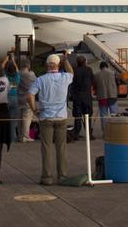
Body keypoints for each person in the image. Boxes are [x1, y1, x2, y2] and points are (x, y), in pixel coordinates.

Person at [27, 54, 73, 186]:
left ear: (47, 65)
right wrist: (66, 61)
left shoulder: (40, 79)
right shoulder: (65, 77)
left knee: (46, 148)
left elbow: (30, 95)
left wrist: (35, 109)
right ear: (58, 65)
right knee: (61, 148)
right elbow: (71, 72)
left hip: (46, 117)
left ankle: (47, 177)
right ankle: (62, 176)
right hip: (61, 117)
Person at [69, 56, 95, 141]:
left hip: (77, 97)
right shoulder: (89, 70)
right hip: (87, 97)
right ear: (85, 61)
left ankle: (76, 134)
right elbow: (93, 81)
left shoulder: (74, 70)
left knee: (77, 117)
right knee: (88, 116)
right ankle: (89, 135)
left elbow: (71, 83)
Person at [94, 61, 119, 135]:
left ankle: (105, 132)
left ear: (100, 67)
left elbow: (95, 85)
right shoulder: (113, 73)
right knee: (114, 114)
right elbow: (118, 83)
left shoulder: (97, 74)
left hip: (102, 97)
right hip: (113, 96)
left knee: (104, 115)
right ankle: (115, 131)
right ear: (107, 66)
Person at [17, 59, 36, 143]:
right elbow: (37, 82)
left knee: (19, 117)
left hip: (19, 97)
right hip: (28, 98)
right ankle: (25, 136)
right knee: (27, 117)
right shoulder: (30, 74)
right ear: (28, 65)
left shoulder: (18, 74)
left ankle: (20, 135)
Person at [5, 57, 21, 143]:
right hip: (15, 99)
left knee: (4, 120)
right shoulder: (17, 77)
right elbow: (17, 70)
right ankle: (13, 138)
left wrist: (6, 59)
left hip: (6, 98)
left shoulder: (5, 77)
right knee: (13, 121)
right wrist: (14, 60)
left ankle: (5, 137)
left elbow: (1, 68)